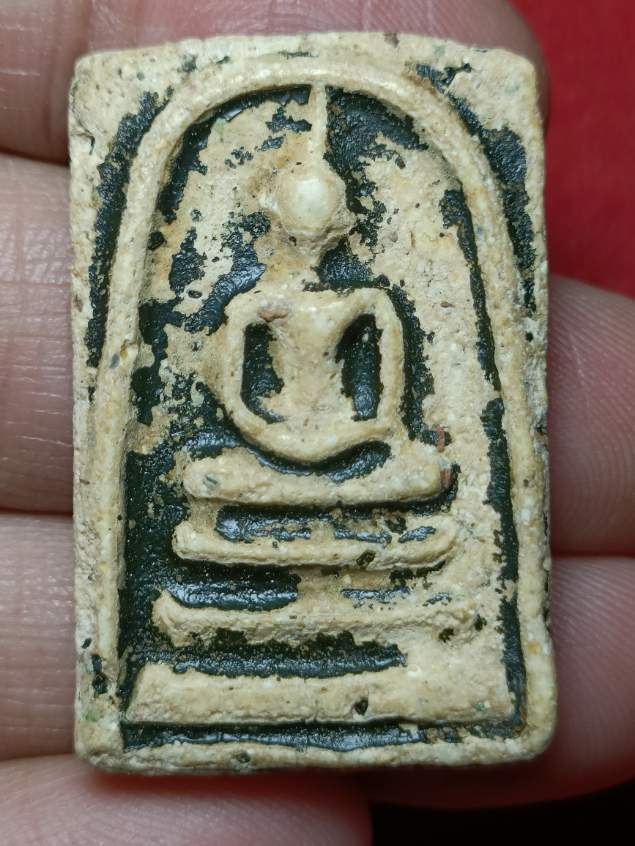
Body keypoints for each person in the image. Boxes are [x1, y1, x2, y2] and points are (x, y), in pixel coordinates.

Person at [0, 1, 633, 842]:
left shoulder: (367, 299)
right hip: (265, 449)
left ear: (341, 226)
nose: (310, 243)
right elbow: (231, 396)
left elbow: (388, 399)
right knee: (205, 475)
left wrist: (361, 438)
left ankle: (429, 650)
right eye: (295, 229)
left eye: (322, 229)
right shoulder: (252, 304)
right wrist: (273, 438)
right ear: (272, 224)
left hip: (351, 445)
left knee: (422, 470)